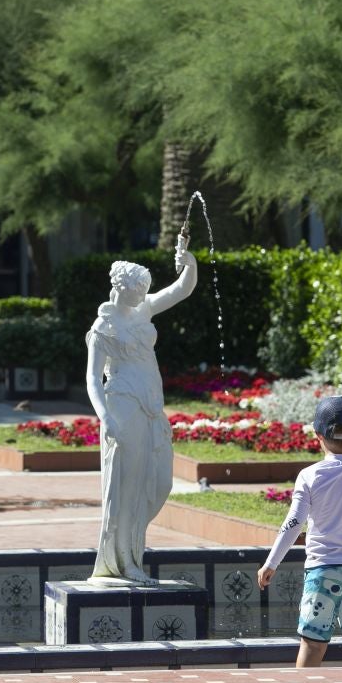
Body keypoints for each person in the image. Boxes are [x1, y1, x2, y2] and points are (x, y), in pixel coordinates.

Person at [85, 244, 197, 582]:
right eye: (138, 290)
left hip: (151, 407)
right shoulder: (103, 329)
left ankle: (130, 553)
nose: (143, 295)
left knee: (159, 482)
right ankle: (125, 561)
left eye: (145, 290)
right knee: (127, 488)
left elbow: (181, 289)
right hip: (123, 407)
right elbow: (92, 378)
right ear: (121, 287)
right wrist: (105, 417)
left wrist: (188, 262)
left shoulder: (144, 310)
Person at [256, 395, 342, 667]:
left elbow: (294, 521)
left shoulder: (310, 476)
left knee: (313, 644)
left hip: (321, 571)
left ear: (317, 434)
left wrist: (271, 562)